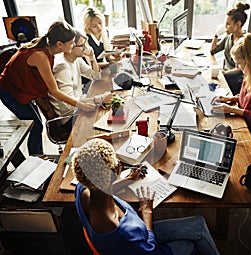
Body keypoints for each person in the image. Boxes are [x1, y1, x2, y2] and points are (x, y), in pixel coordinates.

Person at [72, 138, 220, 255]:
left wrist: (128, 180)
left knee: (198, 224)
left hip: (135, 238)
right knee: (189, 244)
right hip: (145, 245)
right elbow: (150, 251)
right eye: (118, 163)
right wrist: (147, 212)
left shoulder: (83, 188)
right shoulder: (119, 230)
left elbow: (103, 189)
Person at [0, 21, 97, 155]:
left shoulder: (47, 50)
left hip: (20, 87)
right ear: (59, 44)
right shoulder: (41, 57)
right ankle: (36, 158)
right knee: (36, 125)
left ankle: (38, 156)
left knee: (37, 123)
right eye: (71, 43)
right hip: (8, 91)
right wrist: (82, 105)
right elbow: (54, 91)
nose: (73, 45)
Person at [50, 30, 114, 131]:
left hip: (79, 107)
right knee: (107, 117)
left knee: (111, 111)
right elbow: (69, 104)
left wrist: (92, 58)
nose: (86, 48)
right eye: (82, 45)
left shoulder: (77, 60)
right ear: (71, 47)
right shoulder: (63, 68)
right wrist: (100, 99)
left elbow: (96, 76)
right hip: (69, 117)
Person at [210, 2, 250, 95]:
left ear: (238, 24)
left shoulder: (244, 42)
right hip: (225, 73)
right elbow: (213, 51)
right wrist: (216, 35)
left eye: (228, 24)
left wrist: (223, 73)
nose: (225, 27)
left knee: (211, 85)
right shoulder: (229, 37)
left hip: (237, 77)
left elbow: (240, 69)